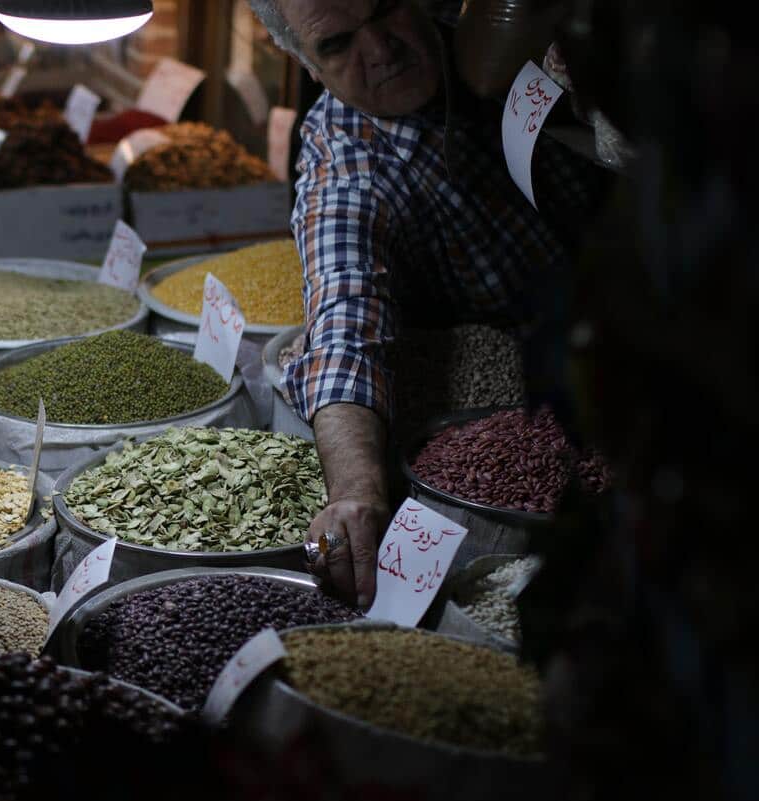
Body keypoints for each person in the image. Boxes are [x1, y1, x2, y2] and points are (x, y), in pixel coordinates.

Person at [247, 0, 605, 606]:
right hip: (532, 392)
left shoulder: (497, 32)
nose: (380, 49)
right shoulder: (345, 156)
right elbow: (344, 322)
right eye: (336, 45)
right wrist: (356, 493)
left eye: (385, 9)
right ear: (306, 64)